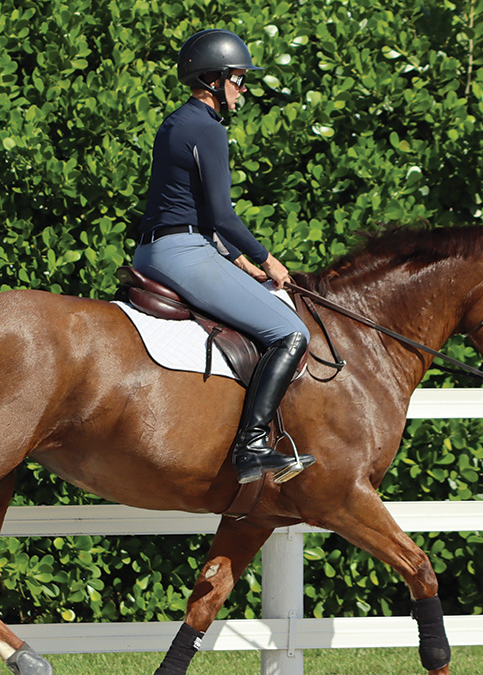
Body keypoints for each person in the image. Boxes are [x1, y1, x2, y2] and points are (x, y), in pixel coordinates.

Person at [132, 29, 315, 485]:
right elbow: (221, 214)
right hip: (183, 251)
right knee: (291, 331)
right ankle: (252, 446)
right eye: (238, 78)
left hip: (160, 247)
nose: (243, 88)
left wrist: (239, 262)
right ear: (213, 79)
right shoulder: (206, 129)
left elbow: (191, 210)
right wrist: (267, 259)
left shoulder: (177, 122)